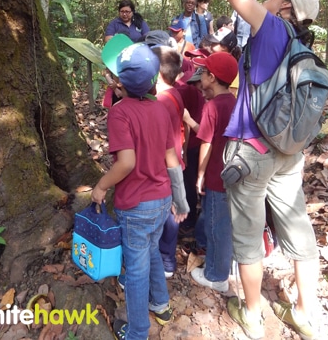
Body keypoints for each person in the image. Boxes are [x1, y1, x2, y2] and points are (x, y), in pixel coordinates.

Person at [173, 0, 320, 340]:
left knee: (247, 234)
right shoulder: (304, 48)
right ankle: (305, 314)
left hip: (253, 150)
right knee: (298, 230)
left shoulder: (272, 29)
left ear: (288, 10)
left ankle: (254, 315)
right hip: (289, 153)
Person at [91, 43, 189, 340]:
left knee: (135, 271)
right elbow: (172, 159)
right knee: (152, 254)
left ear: (119, 82)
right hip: (162, 200)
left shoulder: (120, 114)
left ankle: (137, 333)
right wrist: (180, 201)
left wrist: (100, 186)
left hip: (135, 205)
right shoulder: (160, 108)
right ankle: (161, 304)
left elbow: (127, 163)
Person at [186, 53, 237, 293]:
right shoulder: (235, 101)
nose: (202, 77)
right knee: (224, 222)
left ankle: (216, 275)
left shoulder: (212, 106)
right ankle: (223, 264)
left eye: (204, 73)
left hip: (217, 176)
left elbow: (205, 142)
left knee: (217, 226)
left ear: (212, 78)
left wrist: (200, 174)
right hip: (234, 173)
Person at [151, 46, 185, 278]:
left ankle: (165, 259)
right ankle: (167, 259)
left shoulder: (160, 101)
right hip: (175, 158)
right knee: (171, 213)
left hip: (165, 164)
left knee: (169, 214)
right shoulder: (174, 93)